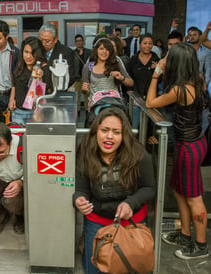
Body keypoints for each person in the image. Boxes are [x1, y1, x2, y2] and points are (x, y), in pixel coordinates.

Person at [73, 107, 155, 274]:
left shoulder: (138, 154)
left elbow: (149, 188)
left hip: (133, 223)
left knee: (132, 267)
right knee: (93, 268)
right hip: (97, 222)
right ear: (96, 131)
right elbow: (81, 189)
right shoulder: (85, 152)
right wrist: (78, 200)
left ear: (123, 135)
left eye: (116, 132)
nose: (109, 136)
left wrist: (130, 204)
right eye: (104, 130)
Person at [146, 43, 209, 259]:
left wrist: (156, 74)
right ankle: (184, 234)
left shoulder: (180, 90)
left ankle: (201, 246)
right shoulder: (197, 80)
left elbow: (150, 102)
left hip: (190, 146)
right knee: (180, 191)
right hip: (191, 143)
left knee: (194, 197)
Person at [81, 38, 133, 123]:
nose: (104, 52)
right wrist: (84, 90)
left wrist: (121, 78)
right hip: (96, 109)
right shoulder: (89, 66)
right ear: (96, 50)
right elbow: (86, 91)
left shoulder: (116, 63)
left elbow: (130, 83)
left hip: (115, 106)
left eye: (107, 49)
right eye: (101, 49)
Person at [8, 37, 53, 125]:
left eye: (32, 53)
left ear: (38, 53)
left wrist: (40, 77)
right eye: (26, 52)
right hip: (17, 112)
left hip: (35, 113)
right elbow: (14, 83)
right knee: (17, 138)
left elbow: (45, 91)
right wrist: (11, 99)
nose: (28, 56)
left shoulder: (44, 68)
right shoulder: (20, 64)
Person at [127, 33, 159, 128]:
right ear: (140, 44)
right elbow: (129, 78)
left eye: (150, 43)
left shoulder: (156, 60)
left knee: (151, 130)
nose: (148, 46)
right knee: (134, 127)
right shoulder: (133, 60)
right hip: (136, 100)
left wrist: (158, 70)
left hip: (152, 100)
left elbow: (160, 81)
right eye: (145, 43)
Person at [38, 23, 76, 90]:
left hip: (57, 93)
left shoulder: (66, 52)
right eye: (41, 40)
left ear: (55, 40)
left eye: (47, 41)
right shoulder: (37, 50)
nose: (43, 44)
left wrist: (53, 88)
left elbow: (71, 77)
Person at [72, 34, 92, 112]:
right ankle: (78, 111)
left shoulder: (89, 52)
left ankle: (88, 110)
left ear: (83, 42)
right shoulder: (73, 53)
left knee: (87, 95)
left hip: (86, 78)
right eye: (77, 41)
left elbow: (91, 64)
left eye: (80, 40)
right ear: (75, 42)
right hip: (77, 77)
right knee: (77, 96)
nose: (79, 42)